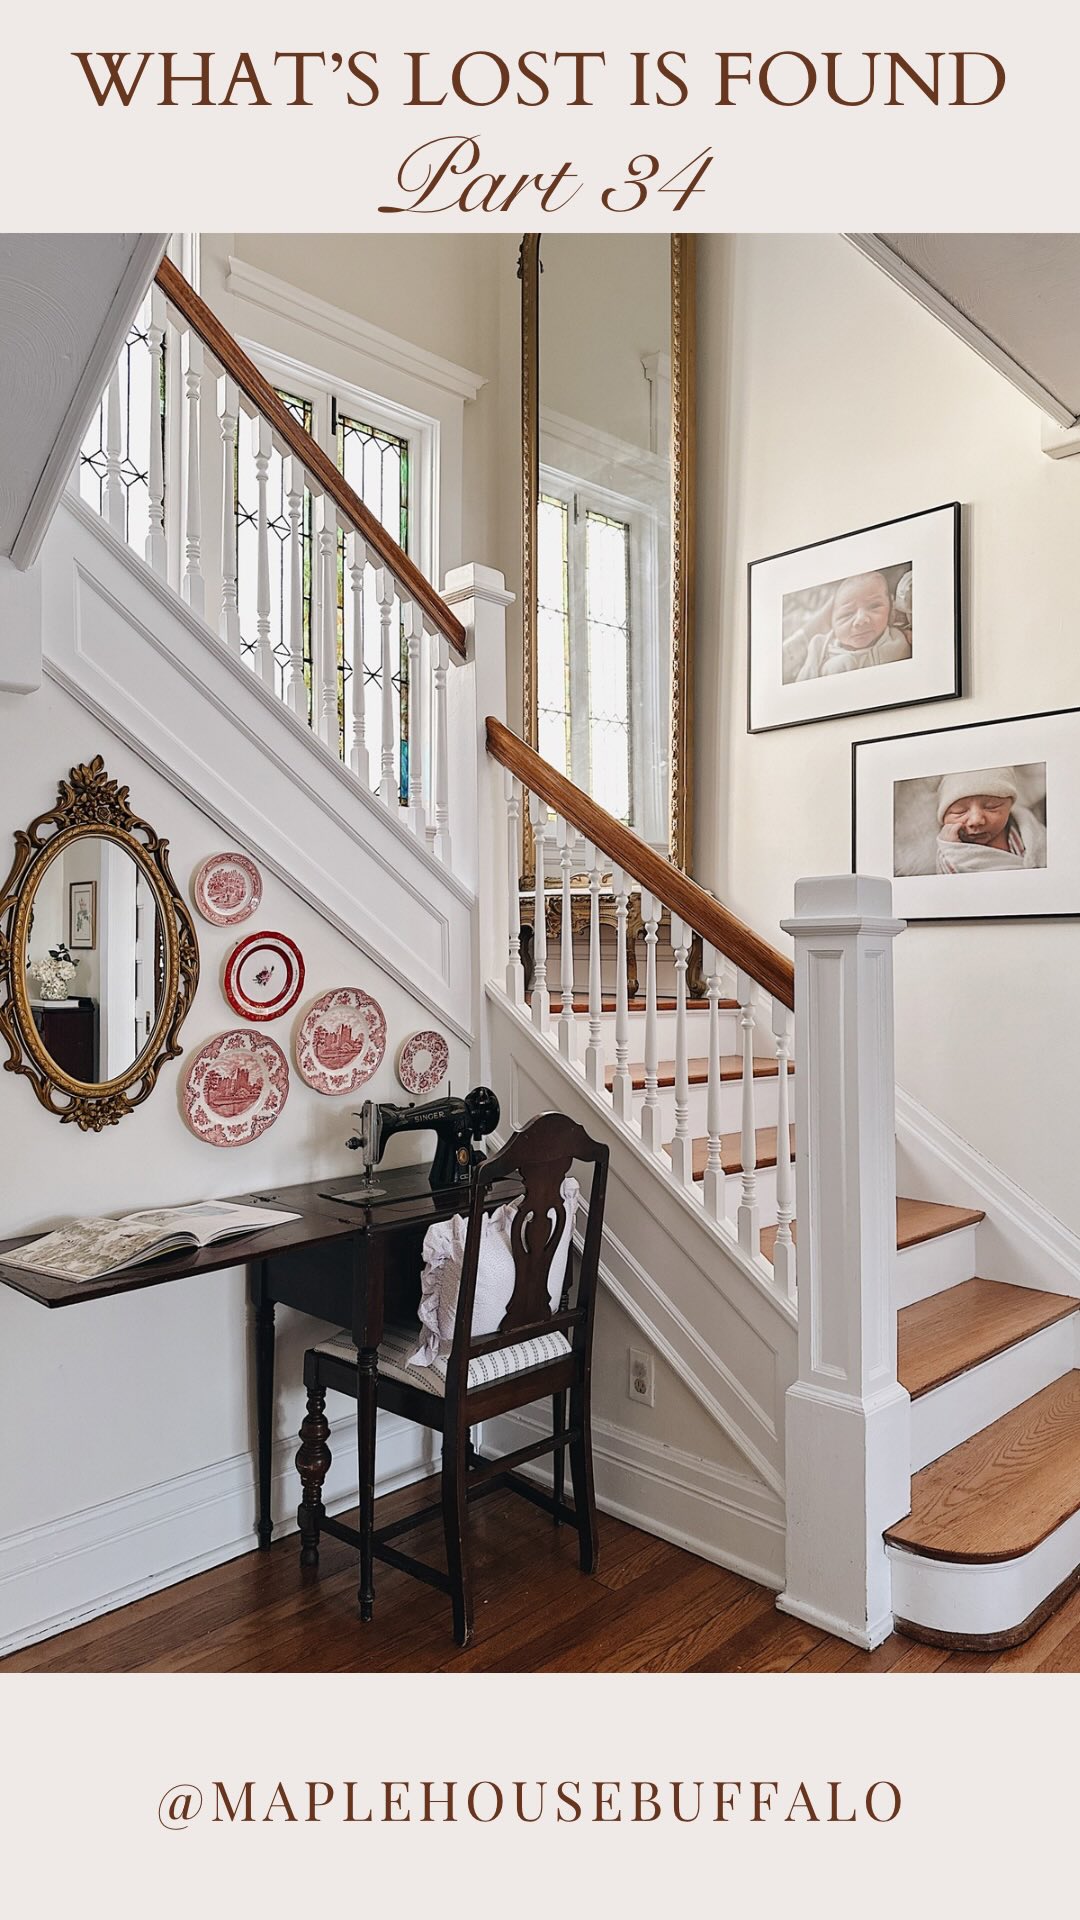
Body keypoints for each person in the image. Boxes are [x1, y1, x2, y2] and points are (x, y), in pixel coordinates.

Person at [794, 569, 912, 680]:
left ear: (891, 608)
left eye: (874, 606)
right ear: (831, 622)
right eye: (847, 614)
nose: (861, 620)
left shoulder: (899, 636)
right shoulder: (820, 649)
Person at [935, 768, 1046, 874]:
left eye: (991, 807)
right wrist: (952, 850)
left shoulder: (1025, 826)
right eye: (960, 811)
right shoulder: (949, 852)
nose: (976, 820)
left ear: (1009, 807)